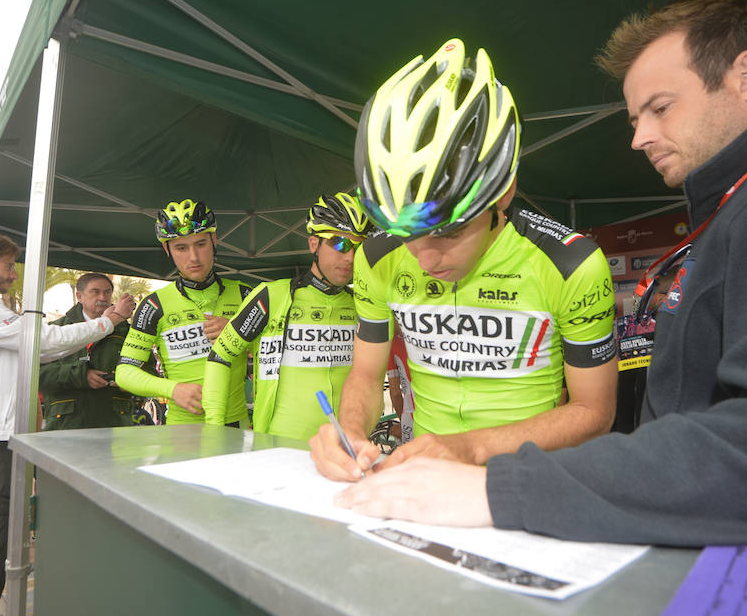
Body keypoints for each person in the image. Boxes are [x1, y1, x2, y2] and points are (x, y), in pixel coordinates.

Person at [334, 0, 747, 546]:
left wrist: (493, 486)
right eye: (635, 116)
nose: (638, 137)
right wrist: (350, 431)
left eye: (661, 107)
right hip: (704, 530)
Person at [310, 39, 618, 480]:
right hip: (429, 473)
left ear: (504, 192)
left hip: (532, 478)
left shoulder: (570, 265)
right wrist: (351, 432)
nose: (424, 258)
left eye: (449, 232)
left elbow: (594, 411)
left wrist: (470, 449)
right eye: (404, 234)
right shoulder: (377, 258)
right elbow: (365, 372)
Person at [0, 229, 134, 616]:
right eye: (9, 266)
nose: (13, 275)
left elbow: (36, 351)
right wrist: (109, 321)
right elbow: (42, 343)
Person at [204, 192, 373, 439]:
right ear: (314, 244)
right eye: (340, 243)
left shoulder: (364, 305)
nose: (350, 257)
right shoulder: (271, 297)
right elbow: (220, 355)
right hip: (278, 449)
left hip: (342, 448)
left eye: (358, 247)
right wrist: (214, 428)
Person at [116, 199, 252, 425]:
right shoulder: (154, 305)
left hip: (237, 426)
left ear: (214, 241)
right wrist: (173, 389)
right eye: (181, 247)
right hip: (183, 429)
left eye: (200, 244)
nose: (194, 257)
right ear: (167, 249)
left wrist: (238, 333)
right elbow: (124, 373)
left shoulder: (245, 295)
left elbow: (274, 354)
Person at [40, 272, 135, 429]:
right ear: (79, 296)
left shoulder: (127, 332)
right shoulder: (57, 330)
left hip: (115, 424)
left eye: (107, 292)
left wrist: (129, 382)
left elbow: (148, 369)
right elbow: (38, 375)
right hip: (66, 425)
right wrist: (81, 375)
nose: (103, 297)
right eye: (95, 292)